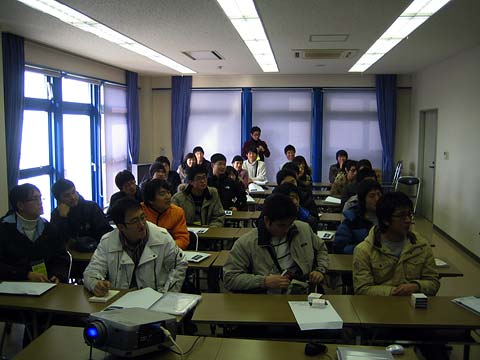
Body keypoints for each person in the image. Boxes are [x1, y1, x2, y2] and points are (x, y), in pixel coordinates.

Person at [223, 194, 328, 294]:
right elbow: (230, 278)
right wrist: (264, 281)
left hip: (302, 292)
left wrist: (320, 270)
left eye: (290, 224)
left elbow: (321, 249)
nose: (286, 230)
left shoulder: (303, 229)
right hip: (267, 298)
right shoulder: (247, 243)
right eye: (281, 225)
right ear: (267, 221)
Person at [83, 197, 188, 296]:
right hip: (120, 302)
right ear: (121, 227)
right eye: (134, 221)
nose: (142, 224)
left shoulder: (162, 237)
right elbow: (91, 271)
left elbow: (179, 263)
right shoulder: (108, 242)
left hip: (155, 300)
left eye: (142, 217)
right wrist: (95, 284)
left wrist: (168, 293)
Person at [353, 192, 440, 296]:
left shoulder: (421, 246)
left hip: (413, 309)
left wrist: (417, 286)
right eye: (401, 216)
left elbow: (433, 282)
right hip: (379, 308)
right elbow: (362, 289)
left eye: (409, 215)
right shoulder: (365, 250)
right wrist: (395, 292)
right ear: (385, 220)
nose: (408, 220)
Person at [0, 184, 70, 283]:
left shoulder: (49, 228)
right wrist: (26, 274)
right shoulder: (4, 228)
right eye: (35, 199)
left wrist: (57, 275)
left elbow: (61, 258)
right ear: (20, 205)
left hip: (46, 285)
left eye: (40, 198)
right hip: (13, 286)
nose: (40, 202)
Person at [51, 179, 112, 249]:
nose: (73, 197)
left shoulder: (91, 207)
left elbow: (106, 232)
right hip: (71, 256)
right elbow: (58, 241)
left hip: (97, 251)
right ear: (59, 200)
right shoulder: (56, 214)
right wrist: (63, 218)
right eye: (67, 195)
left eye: (73, 192)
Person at [334, 180, 382, 254]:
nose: (377, 199)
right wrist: (363, 250)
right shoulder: (352, 221)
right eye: (372, 196)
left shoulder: (388, 219)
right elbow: (339, 248)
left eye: (379, 194)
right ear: (363, 200)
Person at [141, 179, 190, 250]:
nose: (168, 197)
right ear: (150, 200)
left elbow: (183, 240)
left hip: (169, 253)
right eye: (162, 194)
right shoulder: (140, 211)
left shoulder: (177, 212)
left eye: (168, 192)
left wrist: (164, 249)